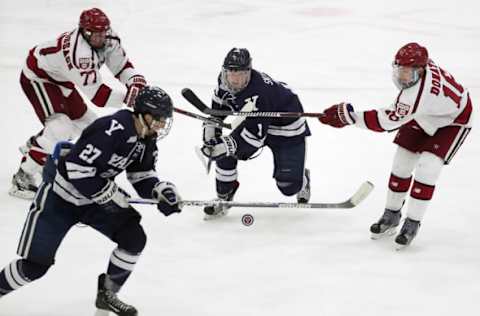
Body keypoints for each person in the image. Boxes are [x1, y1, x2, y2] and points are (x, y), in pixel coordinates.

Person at [0, 86, 182, 316]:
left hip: (92, 199)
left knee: (133, 238)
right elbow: (77, 168)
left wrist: (160, 189)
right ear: (141, 113)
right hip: (60, 197)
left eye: (164, 120)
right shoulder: (113, 128)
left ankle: (107, 295)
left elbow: (141, 175)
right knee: (34, 266)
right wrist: (109, 193)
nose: (160, 124)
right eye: (156, 118)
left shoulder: (146, 139)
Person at [319, 42, 473, 248]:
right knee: (401, 164)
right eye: (400, 70)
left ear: (420, 70)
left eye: (408, 72)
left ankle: (412, 222)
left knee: (427, 169)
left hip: (453, 121)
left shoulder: (417, 96)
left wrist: (349, 117)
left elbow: (386, 122)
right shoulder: (421, 77)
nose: (402, 77)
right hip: (425, 113)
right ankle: (391, 215)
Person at [10, 7, 147, 199]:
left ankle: (37, 144)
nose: (101, 38)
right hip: (39, 77)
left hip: (61, 78)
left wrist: (135, 81)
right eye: (95, 34)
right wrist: (129, 98)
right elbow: (98, 96)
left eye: (103, 33)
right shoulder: (79, 54)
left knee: (90, 129)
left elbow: (121, 66)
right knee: (60, 130)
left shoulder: (109, 37)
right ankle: (23, 177)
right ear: (85, 32)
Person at [201, 48, 312, 220]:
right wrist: (211, 131)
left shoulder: (260, 92)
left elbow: (254, 137)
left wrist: (226, 144)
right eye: (231, 74)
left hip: (286, 127)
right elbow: (218, 108)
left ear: (249, 73)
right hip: (256, 120)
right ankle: (224, 195)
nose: (235, 80)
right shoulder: (223, 81)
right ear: (224, 72)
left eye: (240, 75)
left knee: (288, 187)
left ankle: (302, 179)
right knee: (223, 150)